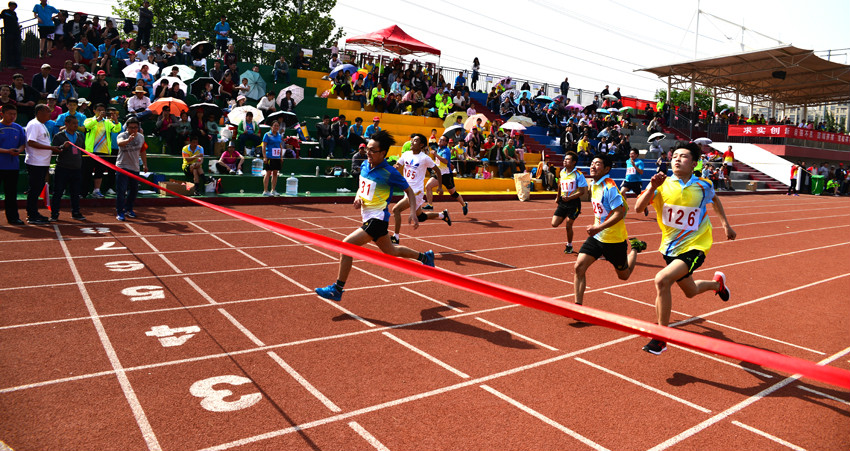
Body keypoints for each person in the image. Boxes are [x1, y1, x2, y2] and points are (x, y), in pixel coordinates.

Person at [634, 142, 735, 355]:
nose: (677, 159)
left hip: (697, 245)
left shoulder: (703, 185)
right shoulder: (661, 184)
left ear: (694, 164)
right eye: (675, 156)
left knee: (662, 280)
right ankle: (717, 285)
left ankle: (661, 337)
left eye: (683, 156)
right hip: (670, 248)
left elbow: (715, 200)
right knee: (691, 292)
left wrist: (726, 225)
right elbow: (638, 207)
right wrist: (652, 186)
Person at [314, 130, 435, 302]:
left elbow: (409, 190)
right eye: (367, 149)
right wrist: (358, 197)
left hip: (377, 219)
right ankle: (425, 257)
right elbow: (361, 187)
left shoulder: (389, 172)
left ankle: (337, 289)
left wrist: (413, 213)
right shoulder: (365, 165)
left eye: (372, 150)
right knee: (391, 251)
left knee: (346, 246)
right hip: (367, 217)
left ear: (383, 153)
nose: (368, 153)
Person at [573, 154, 647, 307]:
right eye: (592, 163)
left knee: (624, 276)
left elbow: (619, 213)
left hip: (614, 240)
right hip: (597, 237)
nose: (593, 166)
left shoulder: (610, 187)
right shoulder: (594, 184)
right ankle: (577, 306)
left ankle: (635, 248)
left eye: (598, 164)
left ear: (606, 168)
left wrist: (597, 227)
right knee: (579, 267)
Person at [391, 133, 452, 244]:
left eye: (415, 140)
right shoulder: (406, 154)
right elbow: (397, 165)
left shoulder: (425, 158)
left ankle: (396, 237)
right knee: (421, 216)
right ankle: (443, 215)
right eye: (412, 140)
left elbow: (438, 171)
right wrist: (394, 167)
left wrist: (439, 187)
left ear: (421, 145)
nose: (411, 142)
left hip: (416, 192)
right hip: (407, 190)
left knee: (396, 210)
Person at [24, 104, 60, 224]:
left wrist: (51, 148)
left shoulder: (41, 125)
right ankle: (32, 215)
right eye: (47, 111)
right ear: (39, 112)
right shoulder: (34, 124)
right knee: (34, 189)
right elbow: (31, 142)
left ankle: (34, 212)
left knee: (37, 188)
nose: (50, 114)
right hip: (35, 162)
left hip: (42, 162)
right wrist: (50, 148)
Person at [49, 115, 86, 221]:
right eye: (73, 123)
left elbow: (82, 149)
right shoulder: (59, 136)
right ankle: (54, 214)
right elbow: (53, 150)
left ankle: (76, 212)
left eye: (77, 123)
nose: (76, 125)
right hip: (62, 168)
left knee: (75, 192)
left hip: (76, 169)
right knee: (58, 192)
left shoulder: (79, 136)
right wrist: (62, 147)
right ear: (66, 124)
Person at [552, 152, 588, 254]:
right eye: (564, 159)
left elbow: (582, 191)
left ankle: (569, 245)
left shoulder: (578, 174)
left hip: (574, 203)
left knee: (568, 225)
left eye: (567, 159)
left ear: (574, 162)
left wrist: (570, 197)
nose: (565, 161)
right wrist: (557, 197)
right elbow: (559, 185)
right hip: (563, 202)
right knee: (554, 224)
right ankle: (566, 215)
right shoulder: (562, 172)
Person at [83, 103, 121, 198]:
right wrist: (98, 119)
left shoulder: (107, 122)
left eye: (102, 110)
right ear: (94, 111)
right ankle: (84, 191)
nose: (101, 112)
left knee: (99, 172)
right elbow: (88, 126)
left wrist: (116, 121)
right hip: (91, 151)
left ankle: (96, 191)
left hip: (104, 151)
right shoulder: (89, 120)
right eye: (99, 110)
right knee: (87, 172)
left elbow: (116, 129)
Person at [425, 135, 469, 215]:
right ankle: (430, 205)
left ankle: (464, 204)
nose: (439, 141)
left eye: (442, 140)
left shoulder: (446, 150)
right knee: (428, 186)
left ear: (445, 142)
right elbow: (441, 162)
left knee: (453, 193)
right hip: (438, 174)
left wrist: (436, 155)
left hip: (446, 175)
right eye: (440, 139)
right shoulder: (439, 148)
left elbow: (445, 161)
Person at [113, 117, 147, 220]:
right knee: (121, 190)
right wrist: (128, 140)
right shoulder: (121, 135)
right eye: (131, 127)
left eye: (135, 127)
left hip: (135, 167)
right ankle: (120, 212)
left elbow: (143, 150)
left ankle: (129, 209)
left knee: (134, 190)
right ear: (127, 128)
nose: (133, 130)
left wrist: (145, 164)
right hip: (122, 166)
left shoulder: (141, 137)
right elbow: (120, 143)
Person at [0, 105, 25, 225]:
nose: (12, 116)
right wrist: (7, 151)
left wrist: (19, 151)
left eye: (14, 114)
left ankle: (13, 217)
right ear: (2, 113)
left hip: (12, 166)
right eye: (10, 113)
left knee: (11, 193)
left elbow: (22, 144)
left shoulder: (18, 128)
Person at [620, 149, 649, 216]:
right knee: (622, 192)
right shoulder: (627, 161)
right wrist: (626, 177)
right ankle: (626, 206)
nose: (631, 155)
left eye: (633, 153)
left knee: (640, 197)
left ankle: (644, 207)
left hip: (636, 182)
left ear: (636, 155)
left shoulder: (640, 162)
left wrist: (634, 166)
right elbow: (628, 170)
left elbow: (641, 172)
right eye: (630, 153)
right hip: (628, 181)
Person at [261, 120, 283, 196]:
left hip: (276, 157)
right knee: (268, 172)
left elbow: (280, 146)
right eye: (275, 125)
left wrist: (281, 156)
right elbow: (263, 146)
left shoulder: (279, 135)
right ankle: (265, 191)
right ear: (271, 126)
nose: (276, 127)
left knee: (275, 173)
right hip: (269, 156)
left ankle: (273, 190)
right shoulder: (267, 135)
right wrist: (264, 157)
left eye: (277, 126)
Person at [1, 2, 22, 68]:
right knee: (9, 48)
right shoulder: (5, 12)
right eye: (13, 6)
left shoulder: (14, 13)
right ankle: (10, 64)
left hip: (16, 33)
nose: (13, 8)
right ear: (10, 6)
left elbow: (16, 22)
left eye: (15, 7)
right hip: (9, 33)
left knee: (17, 49)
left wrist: (18, 27)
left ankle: (17, 64)